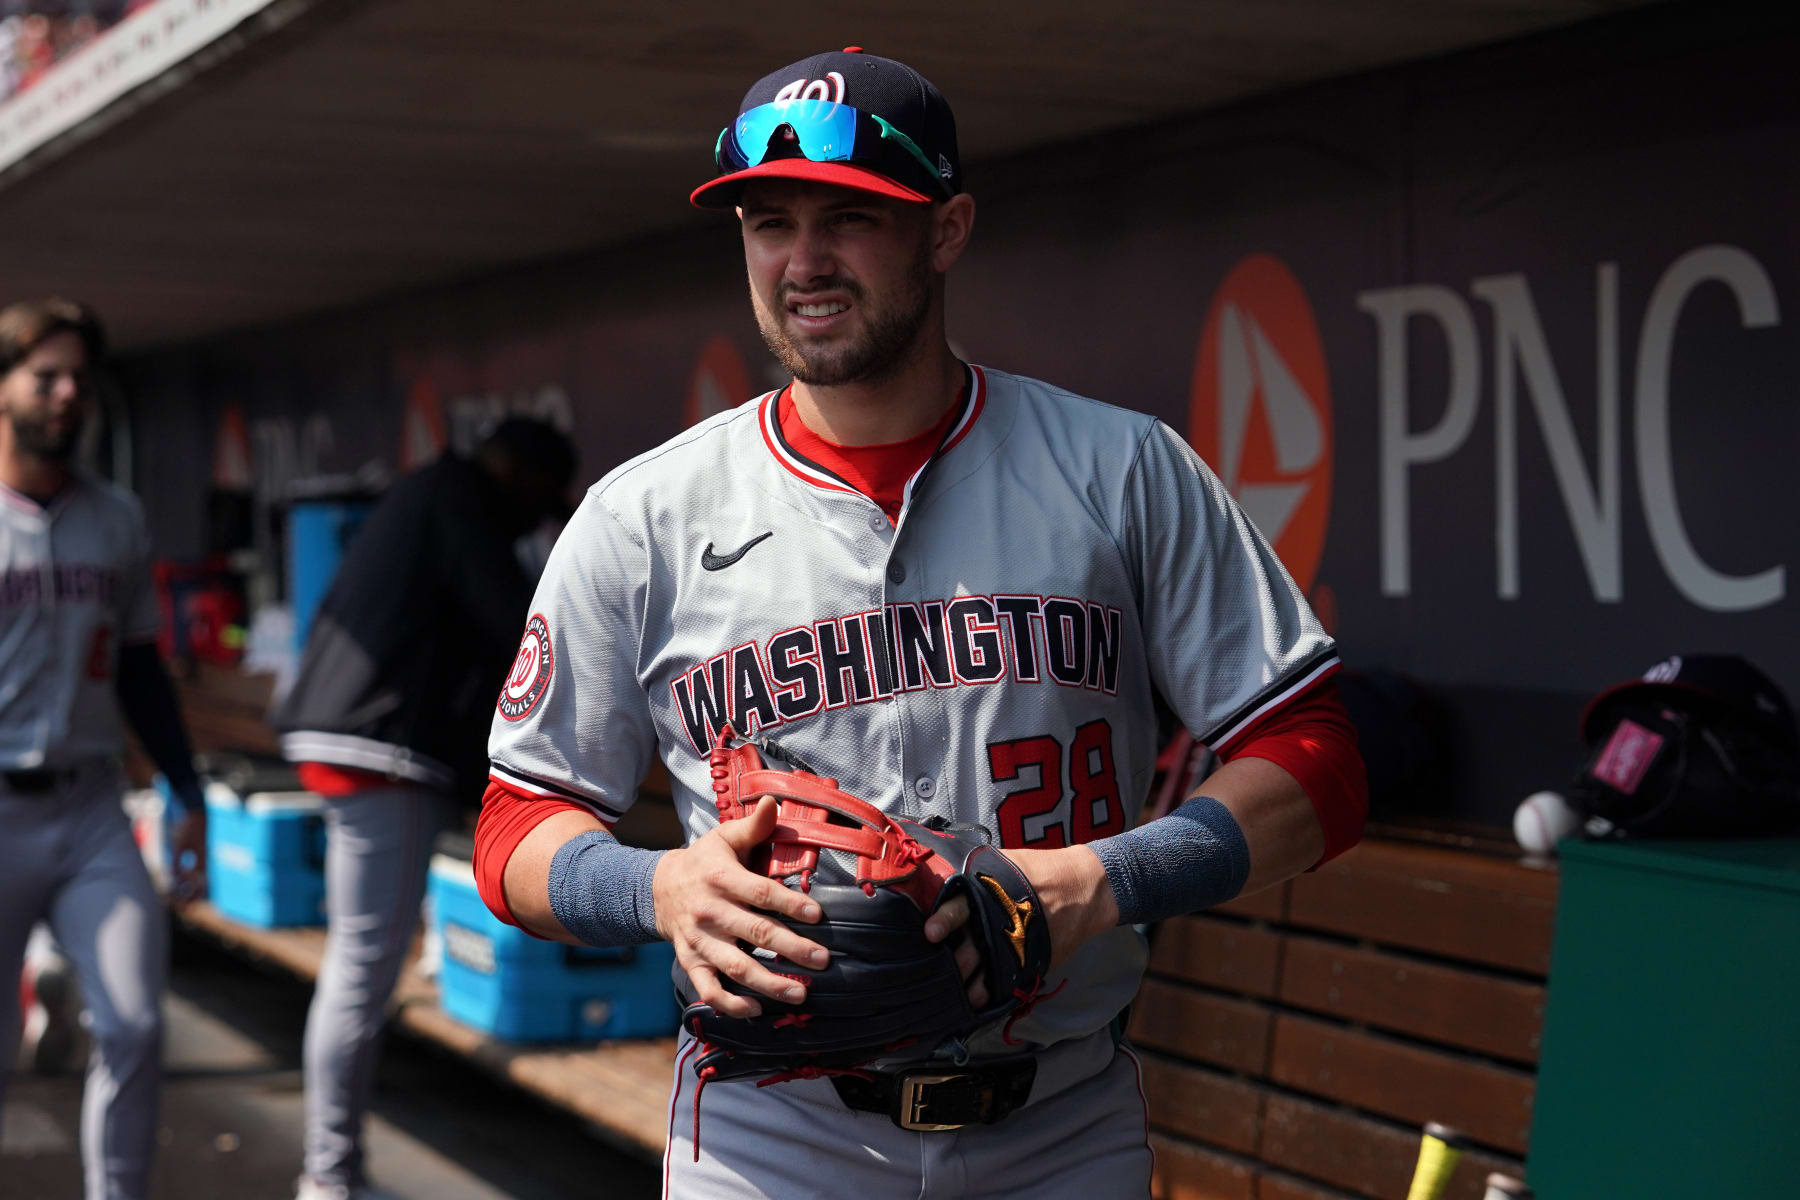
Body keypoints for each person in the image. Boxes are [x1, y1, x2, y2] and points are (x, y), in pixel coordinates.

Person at [475, 47, 1368, 1196]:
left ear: (947, 230)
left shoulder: (1121, 469)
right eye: (769, 221)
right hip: (771, 1132)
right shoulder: (643, 516)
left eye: (851, 218)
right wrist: (657, 889)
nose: (804, 262)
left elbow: (1320, 760)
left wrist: (1102, 880)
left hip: (1061, 1118)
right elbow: (517, 825)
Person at [270, 417, 575, 1200]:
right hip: (381, 747)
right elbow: (513, 624)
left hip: (346, 731)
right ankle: (329, 1177)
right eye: (541, 497)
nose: (539, 516)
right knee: (360, 974)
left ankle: (331, 1171)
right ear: (513, 469)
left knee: (356, 964)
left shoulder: (431, 488)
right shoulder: (461, 496)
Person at [0, 297, 210, 1200]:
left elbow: (138, 668)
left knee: (131, 1024)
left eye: (78, 378)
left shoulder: (115, 517)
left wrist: (186, 787)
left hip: (88, 808)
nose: (65, 393)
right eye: (44, 374)